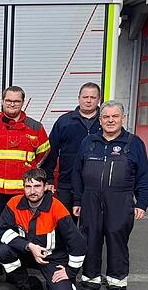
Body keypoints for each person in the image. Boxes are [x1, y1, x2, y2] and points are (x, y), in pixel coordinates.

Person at [73, 100, 148, 290]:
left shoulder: (134, 143)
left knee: (117, 238)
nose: (110, 120)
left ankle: (117, 282)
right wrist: (77, 201)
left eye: (115, 116)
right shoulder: (88, 142)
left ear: (122, 118)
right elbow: (77, 173)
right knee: (90, 237)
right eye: (106, 117)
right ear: (100, 119)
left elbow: (143, 175)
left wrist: (142, 202)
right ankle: (90, 279)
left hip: (120, 198)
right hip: (90, 197)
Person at [0, 169, 86, 290]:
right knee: (3, 250)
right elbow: (1, 232)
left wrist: (70, 272)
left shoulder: (57, 207)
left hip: (52, 257)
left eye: (37, 186)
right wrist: (29, 246)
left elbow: (77, 242)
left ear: (45, 187)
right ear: (23, 187)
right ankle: (25, 285)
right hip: (26, 253)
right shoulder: (14, 203)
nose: (32, 191)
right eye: (28, 186)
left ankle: (61, 285)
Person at [0, 86, 50, 217]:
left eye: (16, 101)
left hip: (23, 190)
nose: (12, 104)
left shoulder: (36, 128)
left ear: (22, 103)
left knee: (20, 226)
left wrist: (31, 170)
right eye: (8, 100)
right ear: (2, 101)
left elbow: (43, 153)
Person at [40, 82, 102, 215]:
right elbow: (51, 151)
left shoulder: (106, 122)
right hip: (67, 184)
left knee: (92, 226)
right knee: (65, 225)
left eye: (93, 97)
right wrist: (48, 178)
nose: (89, 100)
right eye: (85, 97)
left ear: (99, 99)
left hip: (96, 185)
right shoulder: (64, 121)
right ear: (79, 98)